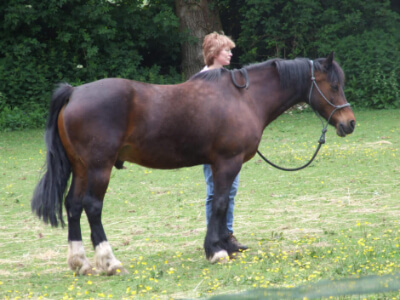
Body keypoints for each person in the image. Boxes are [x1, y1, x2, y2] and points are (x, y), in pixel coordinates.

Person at [201, 32, 248, 251]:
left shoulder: (229, 78)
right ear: (214, 53)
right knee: (214, 191)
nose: (230, 53)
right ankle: (215, 235)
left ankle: (227, 233)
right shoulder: (202, 80)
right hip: (210, 148)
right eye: (226, 50)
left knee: (231, 189)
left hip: (229, 146)